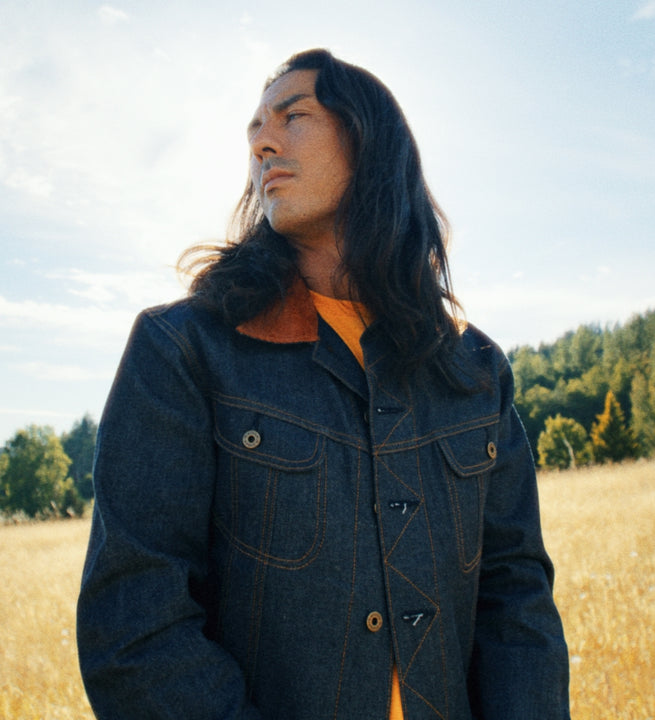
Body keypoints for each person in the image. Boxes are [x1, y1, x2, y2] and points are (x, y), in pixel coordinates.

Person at [77, 48, 570, 719]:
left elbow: (517, 603)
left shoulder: (474, 370)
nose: (264, 143)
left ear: (368, 140)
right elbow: (134, 626)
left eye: (293, 116)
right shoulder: (184, 351)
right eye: (254, 132)